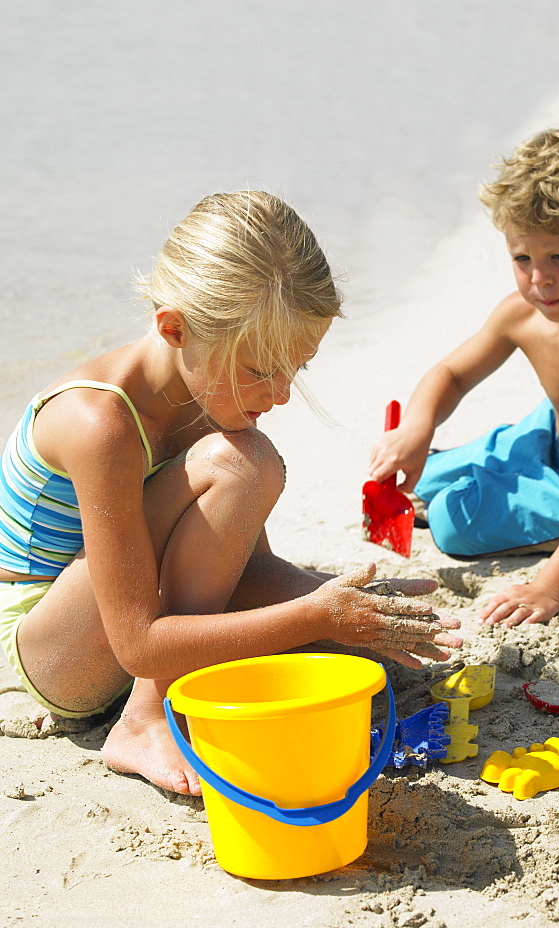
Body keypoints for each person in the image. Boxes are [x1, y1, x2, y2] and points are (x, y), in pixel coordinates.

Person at [0, 190, 462, 795]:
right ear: (174, 328)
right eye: (260, 369)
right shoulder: (100, 423)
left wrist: (349, 604)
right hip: (45, 658)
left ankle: (163, 702)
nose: (281, 393)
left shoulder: (212, 392)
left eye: (296, 367)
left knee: (350, 651)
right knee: (245, 467)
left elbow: (245, 569)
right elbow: (138, 644)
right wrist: (313, 615)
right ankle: (141, 722)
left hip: (124, 631)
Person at [369, 124, 559, 627]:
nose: (539, 278)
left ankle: (497, 493)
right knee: (418, 471)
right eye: (522, 257)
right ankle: (482, 473)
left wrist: (549, 587)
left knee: (451, 525)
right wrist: (417, 427)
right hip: (550, 435)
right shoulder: (523, 313)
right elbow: (451, 373)